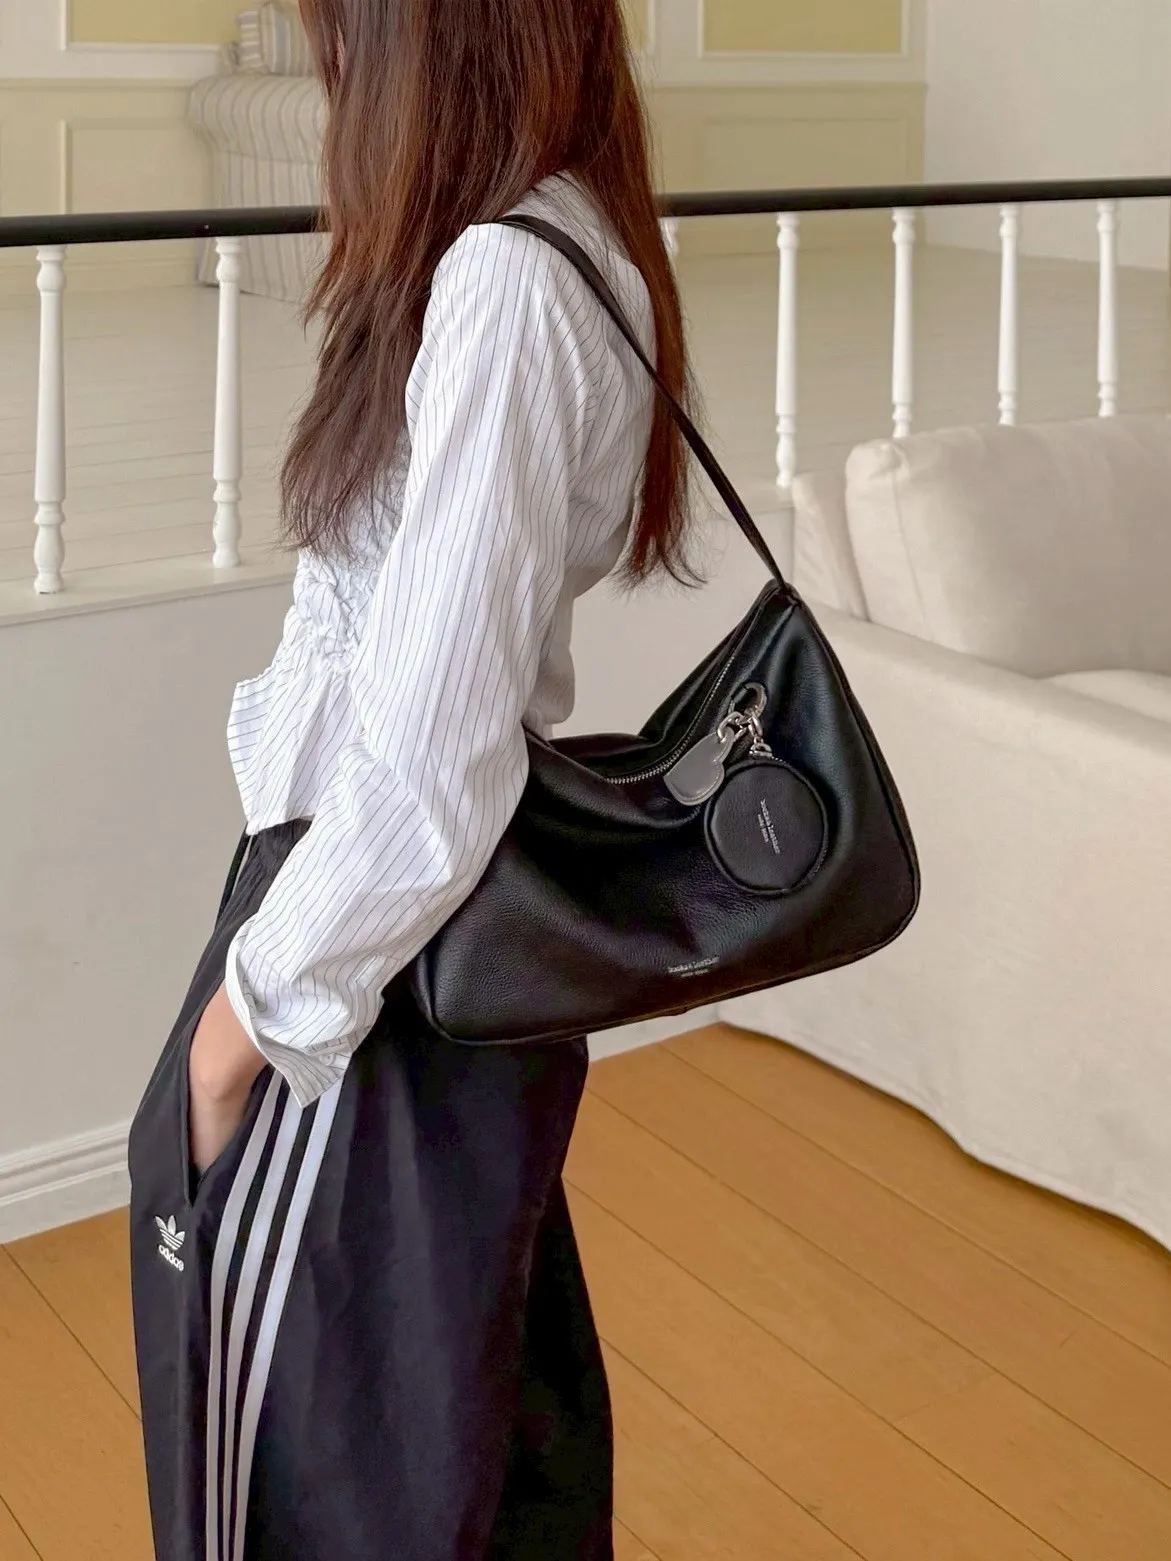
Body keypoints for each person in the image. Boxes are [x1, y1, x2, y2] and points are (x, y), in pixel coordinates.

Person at [127, 1, 694, 1557]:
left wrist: (241, 1028)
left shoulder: (507, 278)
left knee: (299, 1469)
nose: (330, 70)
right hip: (408, 945)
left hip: (368, 965)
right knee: (464, 1426)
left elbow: (435, 753)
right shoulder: (551, 236)